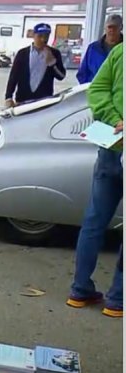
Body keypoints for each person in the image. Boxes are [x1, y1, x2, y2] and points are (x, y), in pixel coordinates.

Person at [67, 43, 123, 318]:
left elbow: (97, 89)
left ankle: (79, 290)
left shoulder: (119, 52)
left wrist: (114, 119)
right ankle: (117, 299)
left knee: (94, 221)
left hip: (111, 146)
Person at [4, 23, 66, 107]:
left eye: (46, 37)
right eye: (40, 36)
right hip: (23, 100)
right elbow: (14, 76)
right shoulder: (22, 53)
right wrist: (8, 97)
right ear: (34, 35)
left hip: (44, 101)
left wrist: (52, 64)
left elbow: (61, 76)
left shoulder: (54, 53)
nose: (43, 39)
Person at [76, 14, 122, 84]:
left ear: (121, 27)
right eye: (109, 27)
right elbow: (82, 74)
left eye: (115, 27)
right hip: (95, 90)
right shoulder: (93, 48)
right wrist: (90, 88)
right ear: (105, 28)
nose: (112, 30)